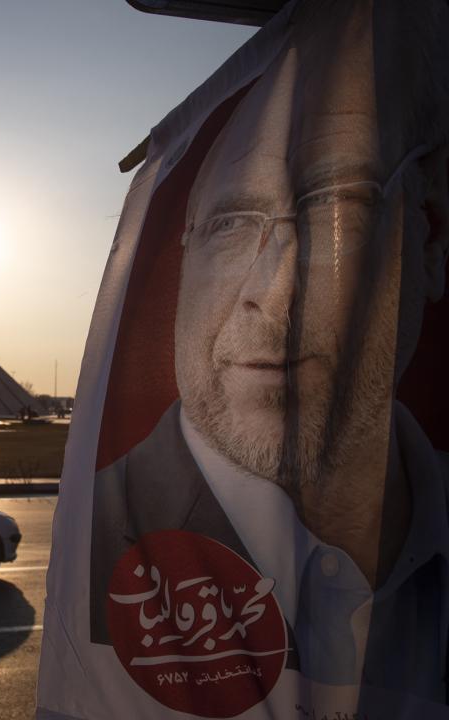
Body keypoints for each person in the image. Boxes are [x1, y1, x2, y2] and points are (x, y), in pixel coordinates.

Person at [91, 0, 449, 702]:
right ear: (183, 254)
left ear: (430, 241)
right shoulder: (100, 538)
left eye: (336, 212)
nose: (273, 295)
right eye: (231, 224)